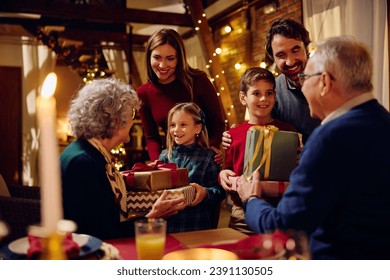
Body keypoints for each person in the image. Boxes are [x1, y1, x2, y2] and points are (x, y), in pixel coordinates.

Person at [237, 36, 390, 259]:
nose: (301, 85)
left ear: (325, 82)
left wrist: (251, 199)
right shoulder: (384, 121)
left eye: (305, 77)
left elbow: (285, 226)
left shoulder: (329, 138)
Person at [61, 78, 186, 240]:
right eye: (131, 113)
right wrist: (152, 217)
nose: (133, 120)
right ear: (116, 120)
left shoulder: (84, 151)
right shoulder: (84, 163)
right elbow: (103, 233)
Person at [219, 67, 297, 235]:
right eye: (256, 93)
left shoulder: (288, 130)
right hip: (242, 213)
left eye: (269, 93)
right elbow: (229, 169)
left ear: (275, 96)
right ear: (243, 98)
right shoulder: (233, 135)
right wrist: (223, 174)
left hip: (279, 211)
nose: (264, 98)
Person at [222, 18, 321, 149]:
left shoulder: (331, 78)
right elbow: (262, 127)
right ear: (273, 58)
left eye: (296, 50)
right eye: (281, 55)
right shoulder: (273, 91)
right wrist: (235, 135)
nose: (290, 62)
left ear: (306, 47)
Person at [137, 28, 225, 163]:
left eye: (170, 58)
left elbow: (218, 123)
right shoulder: (143, 93)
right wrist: (157, 162)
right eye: (157, 57)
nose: (162, 65)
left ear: (179, 58)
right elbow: (151, 138)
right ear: (149, 57)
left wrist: (211, 148)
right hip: (172, 160)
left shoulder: (198, 80)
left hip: (204, 157)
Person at [158, 102, 226, 232]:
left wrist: (205, 193)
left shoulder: (208, 157)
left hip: (195, 227)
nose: (176, 129)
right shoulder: (165, 156)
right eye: (173, 125)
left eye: (183, 125)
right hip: (167, 229)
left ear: (197, 128)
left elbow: (220, 192)